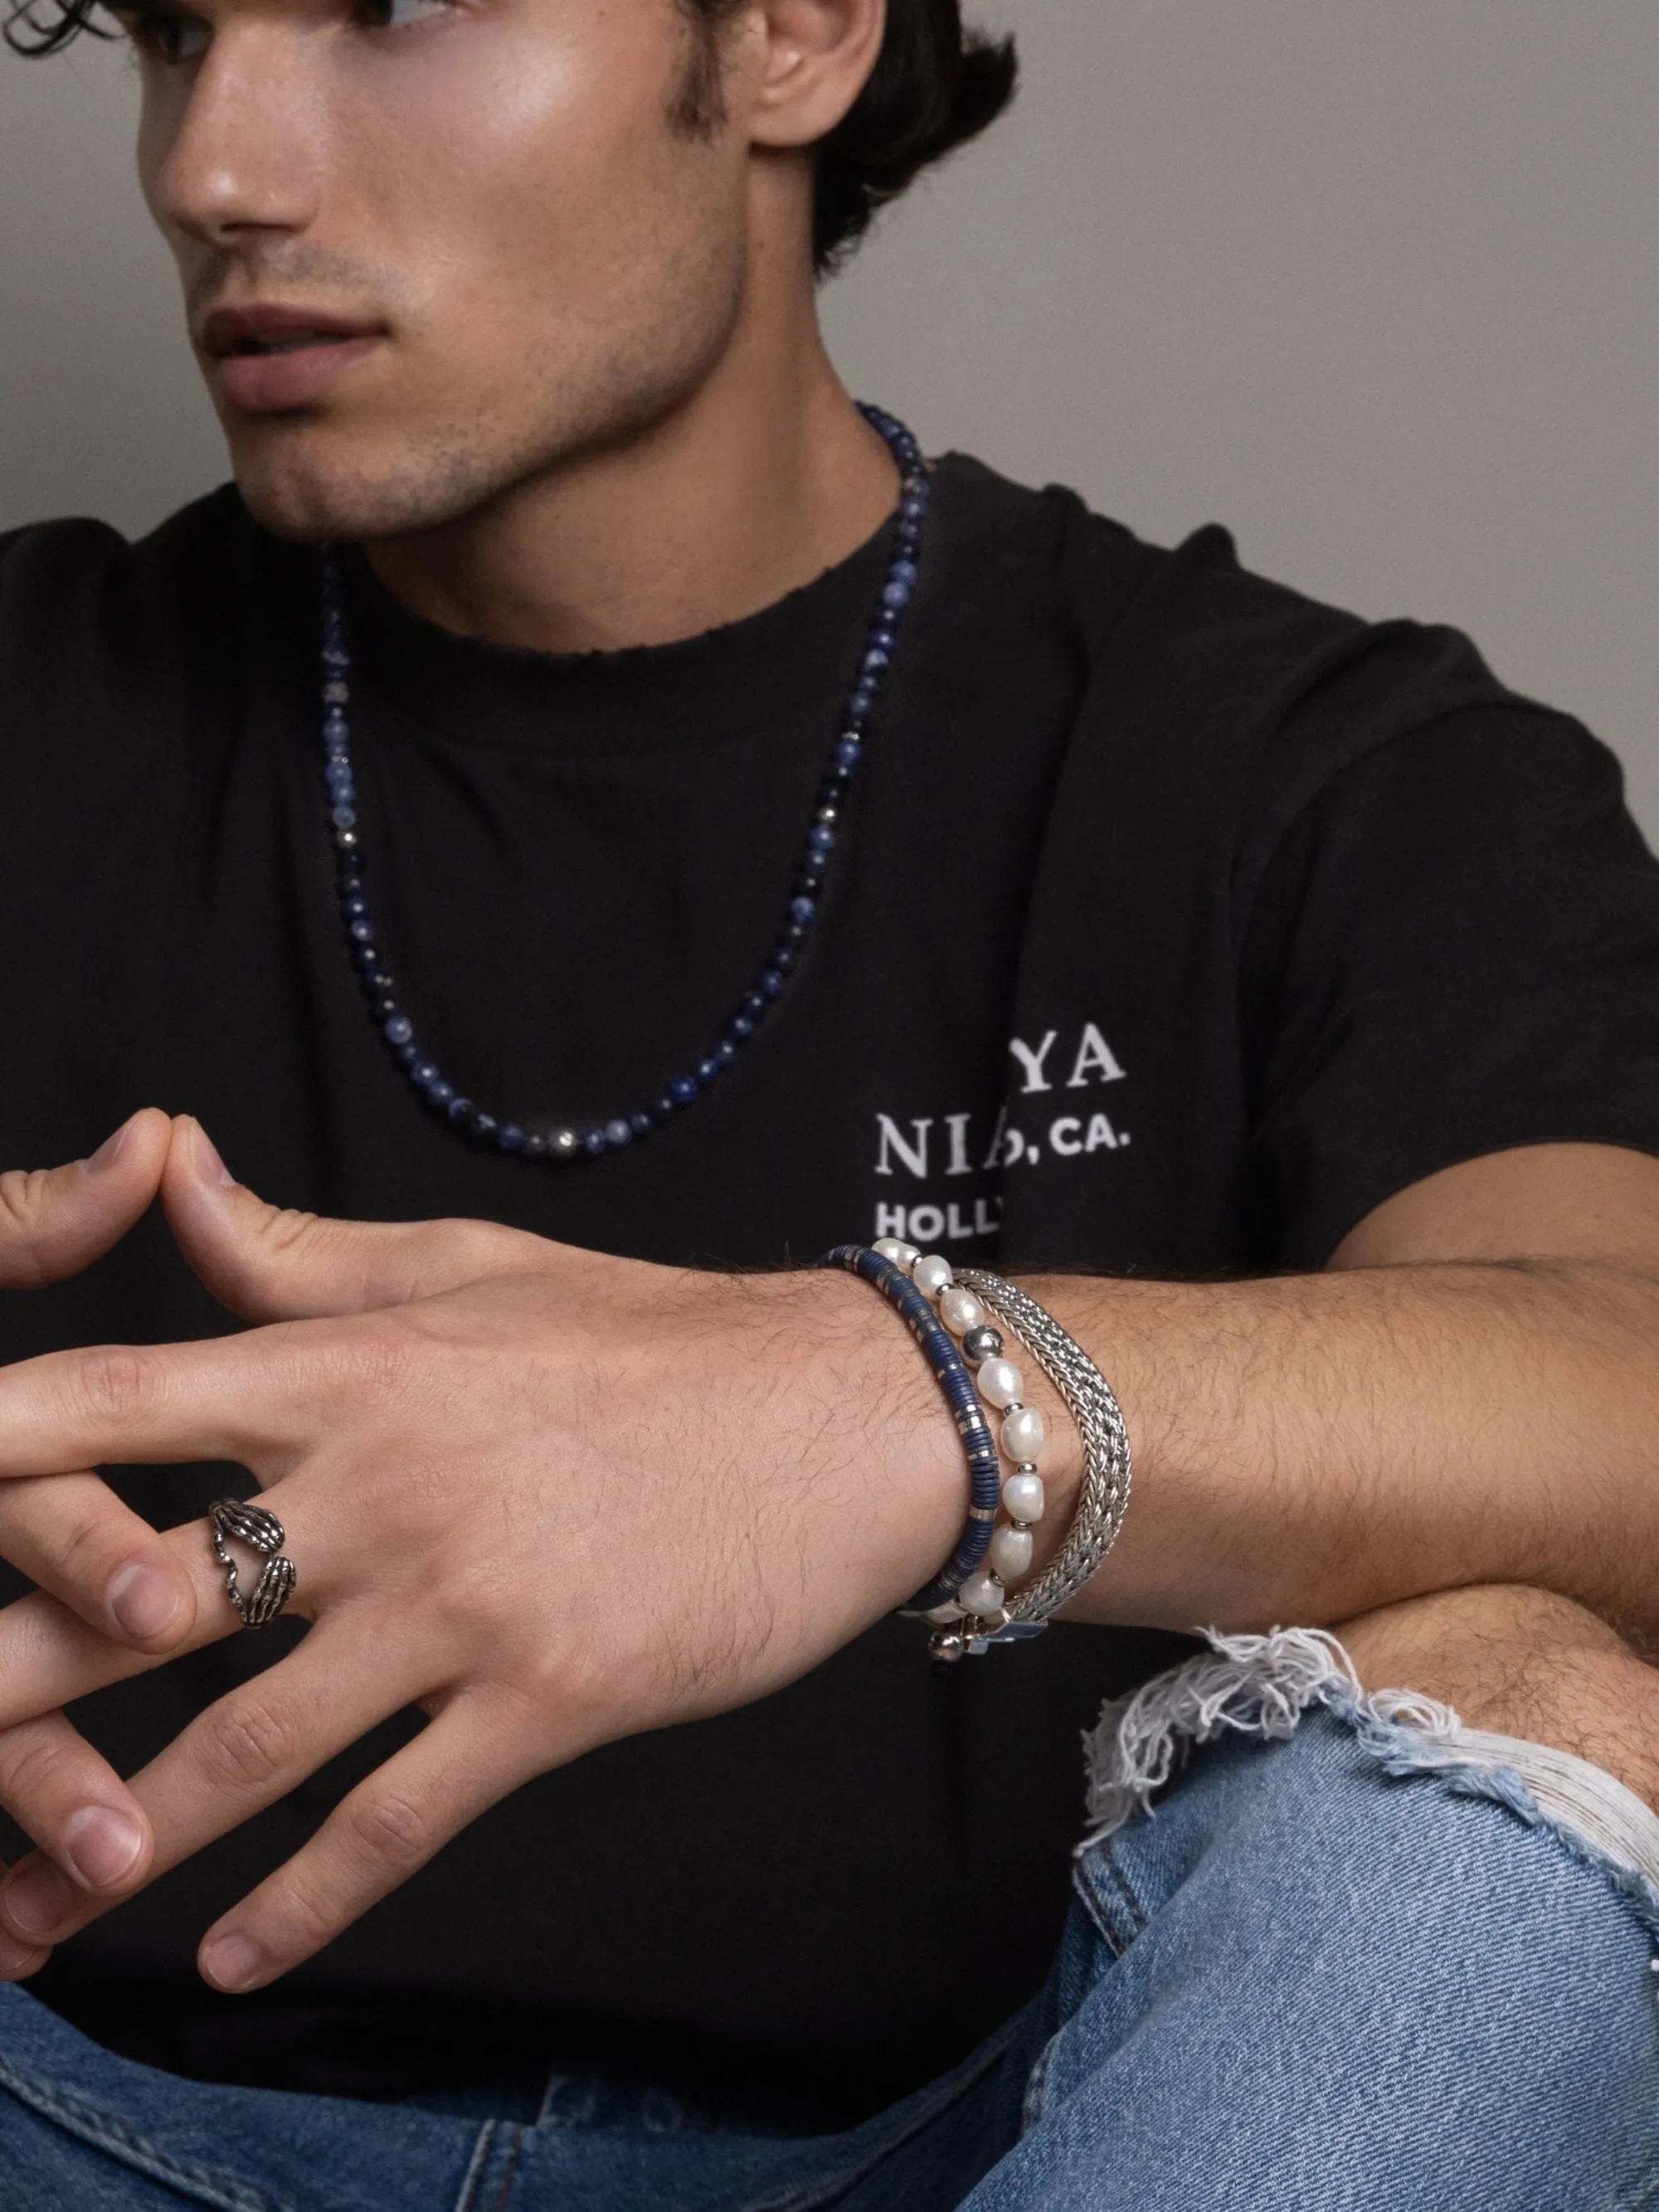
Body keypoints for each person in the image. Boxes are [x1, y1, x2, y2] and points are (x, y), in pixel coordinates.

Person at [1, 0, 1657, 2201]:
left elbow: (1621, 1380)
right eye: (177, 28)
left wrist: (896, 1411)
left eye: (390, 10)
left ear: (789, 34)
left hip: (1047, 2146)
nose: (217, 164)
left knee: (1529, 1718)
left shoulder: (1315, 773)